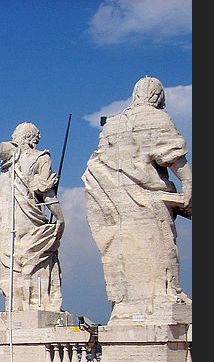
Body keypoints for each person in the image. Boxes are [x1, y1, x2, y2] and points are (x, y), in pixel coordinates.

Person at [82, 76, 192, 322]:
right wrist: (189, 183)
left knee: (124, 255)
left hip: (115, 205)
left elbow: (98, 164)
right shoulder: (154, 118)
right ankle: (164, 298)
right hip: (146, 203)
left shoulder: (111, 125)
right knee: (159, 250)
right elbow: (172, 155)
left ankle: (127, 308)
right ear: (157, 97)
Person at [0, 122, 64, 312]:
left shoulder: (8, 164)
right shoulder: (39, 158)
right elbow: (46, 193)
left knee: (12, 261)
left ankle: (16, 307)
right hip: (28, 219)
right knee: (37, 256)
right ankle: (37, 305)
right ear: (34, 139)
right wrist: (60, 218)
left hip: (8, 220)